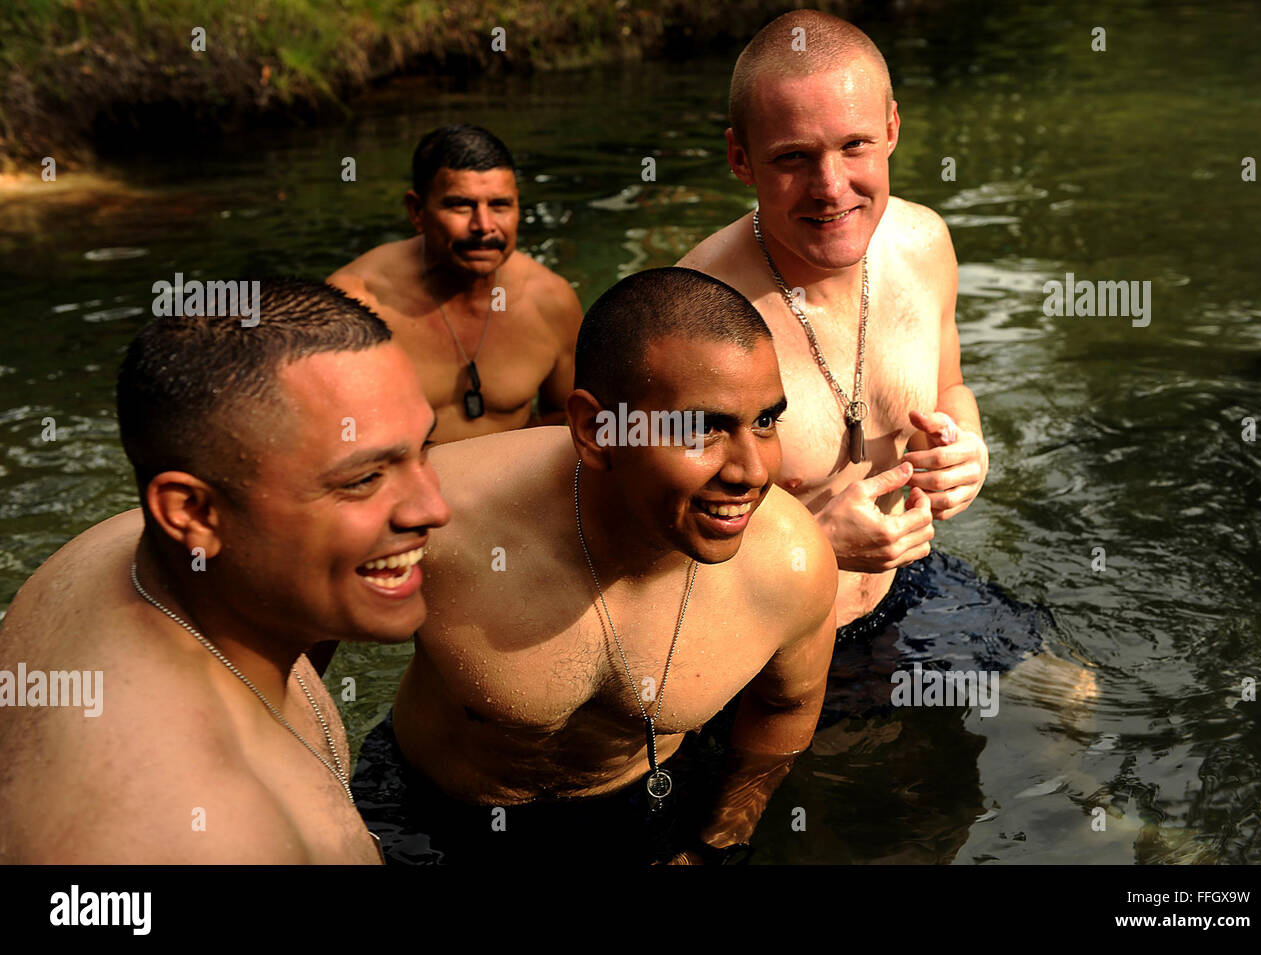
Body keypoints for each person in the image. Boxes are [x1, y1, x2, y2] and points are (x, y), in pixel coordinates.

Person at [352, 267, 839, 865]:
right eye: (702, 429)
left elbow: (785, 707)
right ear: (595, 429)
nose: (751, 472)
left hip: (642, 811)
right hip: (425, 818)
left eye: (765, 421)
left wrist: (719, 840)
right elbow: (282, 656)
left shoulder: (788, 563)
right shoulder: (437, 515)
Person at [0, 279, 450, 863]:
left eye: (423, 450)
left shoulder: (119, 549)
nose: (433, 508)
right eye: (363, 480)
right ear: (191, 512)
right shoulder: (187, 832)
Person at [679, 10, 991, 638]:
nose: (830, 187)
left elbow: (951, 386)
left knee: (1074, 701)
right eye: (793, 157)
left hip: (905, 580)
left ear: (892, 128)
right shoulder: (696, 319)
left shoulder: (924, 244)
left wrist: (968, 450)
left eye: (854, 146)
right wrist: (813, 544)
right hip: (764, 629)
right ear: (741, 159)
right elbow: (649, 555)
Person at [328, 123, 583, 444]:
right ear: (417, 211)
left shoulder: (551, 301)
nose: (484, 226)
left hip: (510, 485)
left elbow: (563, 418)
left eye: (500, 205)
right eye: (460, 205)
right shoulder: (356, 303)